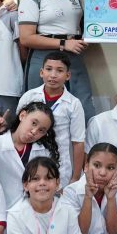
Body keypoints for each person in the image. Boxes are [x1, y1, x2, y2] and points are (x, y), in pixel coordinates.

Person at [19, 0, 95, 121]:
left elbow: (86, 25)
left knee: (82, 106)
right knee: (41, 112)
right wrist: (63, 44)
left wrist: (90, 37)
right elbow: (26, 37)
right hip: (43, 59)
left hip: (74, 57)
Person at [17, 52, 86, 187]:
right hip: (29, 161)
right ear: (41, 72)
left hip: (59, 165)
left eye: (59, 71)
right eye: (49, 69)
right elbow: (18, 129)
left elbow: (78, 142)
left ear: (68, 76)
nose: (53, 75)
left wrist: (76, 176)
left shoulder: (74, 104)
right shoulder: (29, 96)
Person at [0, 102, 60, 209]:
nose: (34, 131)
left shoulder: (44, 152)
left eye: (41, 130)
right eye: (33, 123)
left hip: (34, 213)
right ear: (22, 115)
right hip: (3, 213)